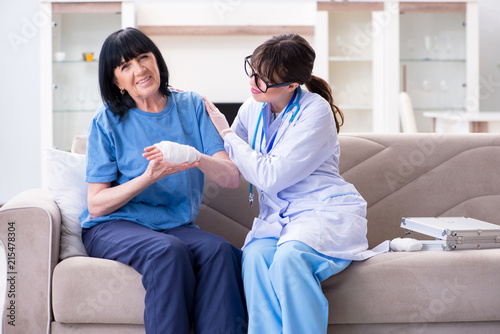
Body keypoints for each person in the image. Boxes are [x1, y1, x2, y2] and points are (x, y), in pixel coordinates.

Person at [202, 34, 384, 334]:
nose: (254, 81)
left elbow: (268, 175)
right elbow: (233, 161)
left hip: (319, 212)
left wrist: (227, 132)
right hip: (278, 218)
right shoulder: (252, 107)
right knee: (255, 258)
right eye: (253, 70)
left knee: (289, 258)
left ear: (291, 85)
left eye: (264, 79)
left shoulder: (316, 112)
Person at [79, 27, 247, 334]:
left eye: (144, 57)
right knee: (168, 251)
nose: (140, 69)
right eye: (125, 65)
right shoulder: (106, 120)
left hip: (175, 225)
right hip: (114, 226)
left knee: (221, 252)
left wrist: (195, 157)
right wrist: (148, 177)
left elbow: (231, 177)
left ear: (157, 60)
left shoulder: (192, 106)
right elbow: (96, 205)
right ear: (115, 81)